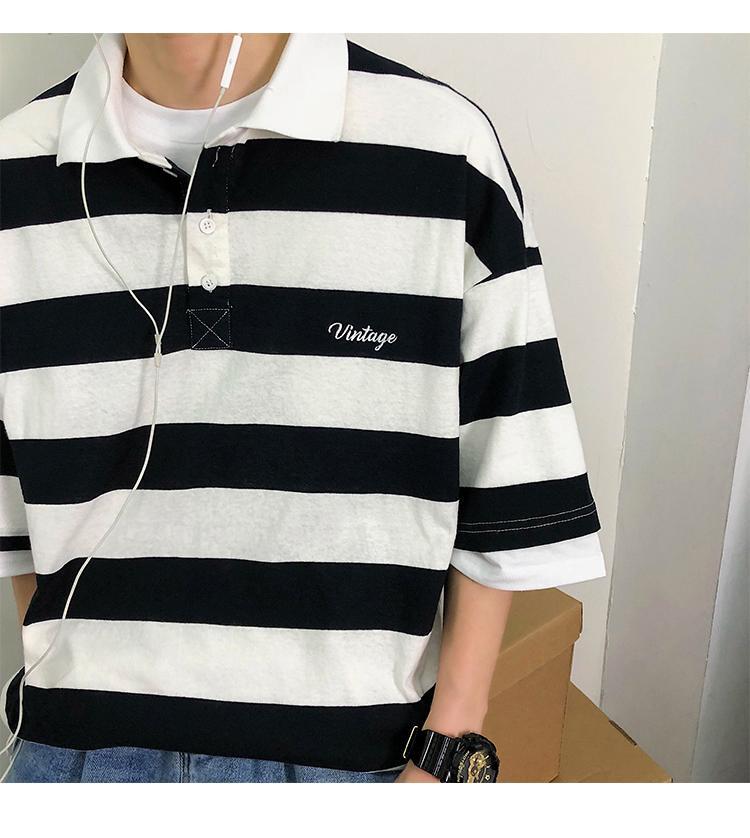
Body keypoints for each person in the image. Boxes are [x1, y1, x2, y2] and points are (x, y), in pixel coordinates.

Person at [0, 33, 606, 783]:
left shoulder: (442, 152)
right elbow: (15, 515)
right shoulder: (15, 171)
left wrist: (447, 752)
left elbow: (512, 473)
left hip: (352, 763)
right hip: (73, 759)